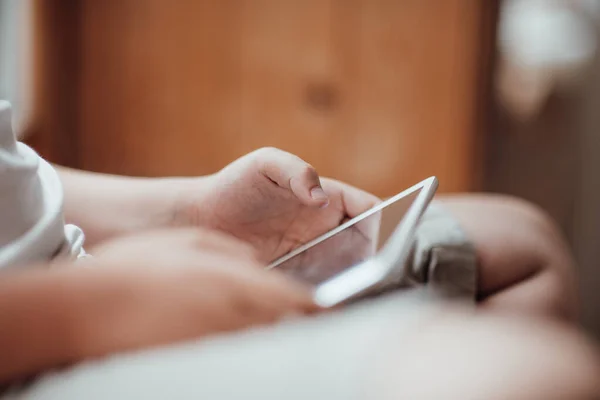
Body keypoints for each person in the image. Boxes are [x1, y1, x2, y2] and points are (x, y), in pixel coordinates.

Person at [0, 100, 597, 399]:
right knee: (527, 376)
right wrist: (90, 307)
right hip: (35, 344)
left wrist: (185, 209)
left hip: (72, 281)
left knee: (519, 243)